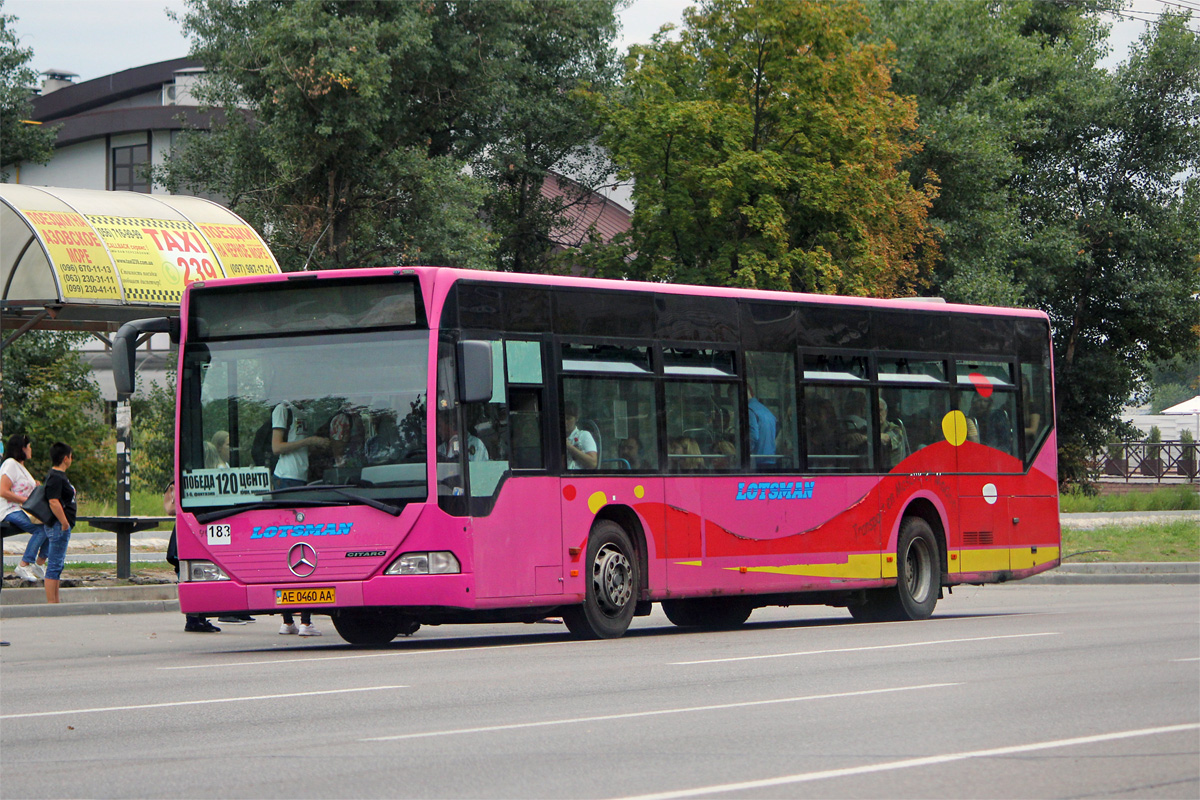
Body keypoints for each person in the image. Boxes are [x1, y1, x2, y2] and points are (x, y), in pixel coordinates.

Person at [163, 481, 221, 633]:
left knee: (194, 572)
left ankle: (198, 617)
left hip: (189, 530)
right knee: (187, 573)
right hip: (186, 532)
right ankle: (193, 619)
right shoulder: (187, 481)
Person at [3, 434, 47, 582]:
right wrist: (26, 500)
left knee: (50, 524)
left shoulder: (21, 467)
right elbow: (3, 491)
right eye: (29, 446)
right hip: (9, 509)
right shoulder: (10, 464)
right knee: (39, 529)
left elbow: (20, 487)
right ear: (22, 448)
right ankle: (24, 564)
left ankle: (39, 563)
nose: (31, 449)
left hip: (22, 509)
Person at [41, 442, 76, 604]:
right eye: (70, 456)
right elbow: (53, 501)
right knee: (54, 565)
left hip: (60, 525)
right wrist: (64, 522)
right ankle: (51, 603)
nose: (71, 459)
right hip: (58, 525)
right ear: (65, 458)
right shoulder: (56, 477)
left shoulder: (60, 476)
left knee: (57, 565)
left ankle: (56, 601)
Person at [271, 401, 329, 489]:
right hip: (286, 476)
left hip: (302, 475)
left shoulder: (302, 412)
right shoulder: (283, 409)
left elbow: (299, 444)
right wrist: (308, 441)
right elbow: (276, 447)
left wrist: (318, 444)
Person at [747, 386, 777, 463]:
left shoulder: (749, 410)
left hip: (757, 462)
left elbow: (753, 436)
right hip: (771, 459)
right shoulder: (766, 410)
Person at [563, 402, 598, 470]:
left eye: (568, 418)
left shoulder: (584, 435)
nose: (565, 422)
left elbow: (593, 463)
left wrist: (569, 447)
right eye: (562, 418)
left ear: (576, 418)